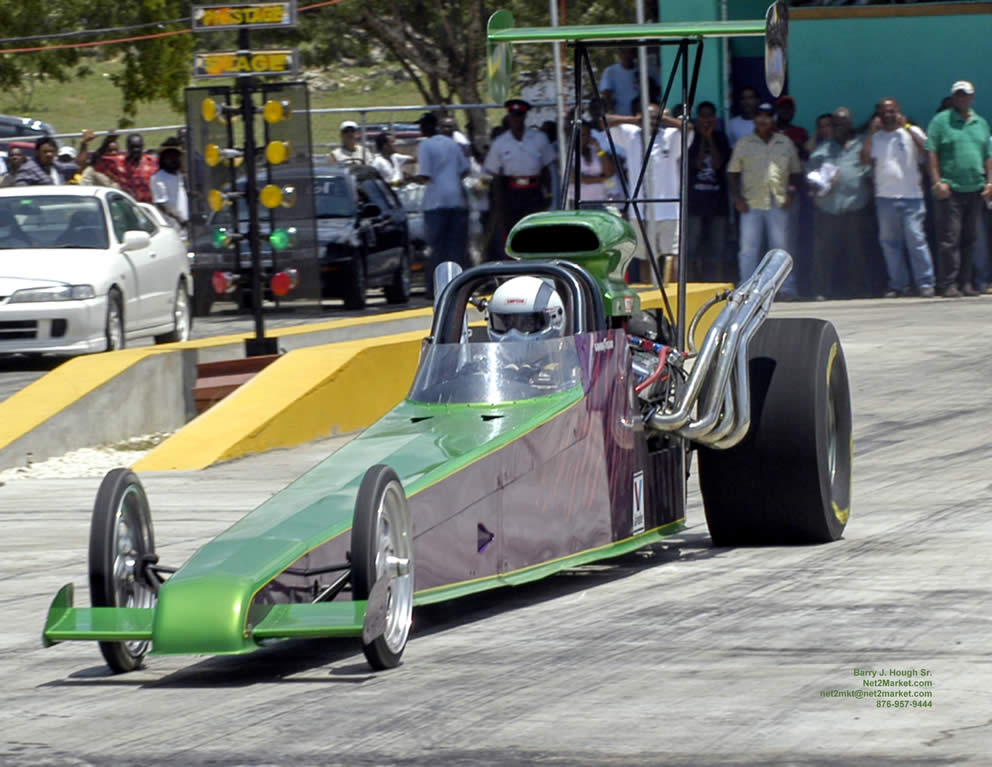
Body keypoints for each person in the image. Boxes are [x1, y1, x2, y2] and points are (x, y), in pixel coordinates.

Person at [861, 98, 936, 298]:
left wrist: (908, 128)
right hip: (885, 197)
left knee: (916, 239)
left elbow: (928, 151)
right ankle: (899, 284)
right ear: (879, 114)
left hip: (912, 196)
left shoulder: (911, 132)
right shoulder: (876, 137)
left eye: (892, 111)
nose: (888, 115)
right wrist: (870, 132)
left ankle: (925, 283)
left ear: (898, 112)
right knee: (890, 243)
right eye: (884, 112)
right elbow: (865, 159)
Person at [611, 102, 692, 285]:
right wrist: (635, 119)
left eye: (656, 117)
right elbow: (604, 122)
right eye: (649, 117)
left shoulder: (670, 136)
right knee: (645, 258)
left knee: (672, 256)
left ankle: (674, 296)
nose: (653, 121)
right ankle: (651, 297)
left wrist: (663, 118)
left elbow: (689, 128)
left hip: (669, 210)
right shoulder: (630, 134)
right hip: (640, 209)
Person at [925, 80, 992, 297]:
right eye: (959, 95)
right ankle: (948, 283)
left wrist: (990, 182)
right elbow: (931, 152)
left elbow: (988, 155)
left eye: (966, 95)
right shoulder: (941, 121)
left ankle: (966, 283)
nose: (962, 98)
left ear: (972, 97)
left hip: (975, 187)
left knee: (970, 237)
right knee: (950, 238)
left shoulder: (980, 123)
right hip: (951, 188)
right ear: (953, 97)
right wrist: (937, 181)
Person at [727, 101, 801, 297]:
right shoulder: (744, 143)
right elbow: (733, 173)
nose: (763, 120)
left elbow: (795, 172)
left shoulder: (784, 142)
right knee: (748, 249)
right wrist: (737, 198)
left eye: (767, 116)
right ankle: (747, 289)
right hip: (751, 202)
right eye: (759, 116)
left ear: (773, 119)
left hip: (779, 201)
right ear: (755, 120)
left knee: (781, 248)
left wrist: (791, 193)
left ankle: (785, 288)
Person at [806, 107, 876, 299]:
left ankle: (859, 290)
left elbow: (870, 171)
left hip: (856, 207)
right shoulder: (822, 150)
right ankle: (821, 291)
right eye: (836, 124)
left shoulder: (861, 146)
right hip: (828, 209)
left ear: (850, 124)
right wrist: (818, 184)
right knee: (824, 254)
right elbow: (810, 177)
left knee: (858, 253)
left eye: (844, 123)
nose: (840, 127)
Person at [483, 99, 554, 255]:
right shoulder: (500, 143)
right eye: (513, 116)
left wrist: (549, 194)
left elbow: (547, 170)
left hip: (534, 191)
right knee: (512, 233)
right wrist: (498, 201)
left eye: (519, 115)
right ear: (509, 117)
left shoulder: (539, 139)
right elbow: (495, 175)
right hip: (511, 194)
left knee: (535, 231)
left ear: (524, 117)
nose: (516, 119)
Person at [415, 111, 469, 297]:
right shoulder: (452, 144)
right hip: (456, 200)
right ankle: (459, 287)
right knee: (456, 249)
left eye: (422, 125)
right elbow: (464, 169)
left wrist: (411, 178)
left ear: (430, 126)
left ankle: (435, 289)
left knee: (436, 249)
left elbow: (425, 174)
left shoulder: (425, 145)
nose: (420, 129)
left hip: (435, 203)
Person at [686, 101, 731, 282]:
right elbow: (696, 164)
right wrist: (702, 138)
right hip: (695, 204)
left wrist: (710, 138)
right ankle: (690, 286)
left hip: (717, 204)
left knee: (717, 250)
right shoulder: (690, 139)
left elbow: (718, 163)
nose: (706, 120)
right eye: (703, 116)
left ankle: (717, 285)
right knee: (691, 249)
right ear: (697, 118)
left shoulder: (721, 138)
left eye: (710, 116)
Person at [487, 275, 565, 343]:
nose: (513, 335)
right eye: (506, 324)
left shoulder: (572, 357)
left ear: (555, 317)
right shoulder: (485, 357)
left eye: (528, 324)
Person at [598, 48, 660, 117]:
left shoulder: (648, 70)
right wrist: (611, 114)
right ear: (619, 54)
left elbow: (658, 90)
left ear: (635, 54)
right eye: (624, 52)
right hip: (620, 118)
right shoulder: (610, 71)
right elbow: (607, 95)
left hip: (644, 117)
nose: (627, 56)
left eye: (631, 52)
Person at [570, 121, 616, 208]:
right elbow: (575, 179)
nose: (584, 138)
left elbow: (609, 172)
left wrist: (599, 149)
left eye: (586, 134)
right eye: (581, 135)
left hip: (600, 200)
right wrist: (603, 179)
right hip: (578, 202)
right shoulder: (569, 154)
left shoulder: (595, 151)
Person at [151, 137, 189, 241]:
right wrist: (180, 219)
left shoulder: (178, 175)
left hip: (185, 229)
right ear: (163, 158)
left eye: (175, 156)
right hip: (172, 229)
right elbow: (162, 204)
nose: (173, 159)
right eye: (169, 156)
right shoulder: (158, 178)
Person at [15, 136, 80, 186]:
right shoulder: (28, 170)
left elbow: (78, 166)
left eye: (51, 151)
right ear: (37, 152)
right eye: (45, 152)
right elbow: (20, 191)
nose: (49, 154)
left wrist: (84, 143)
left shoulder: (58, 167)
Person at [119, 133, 157, 203]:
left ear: (143, 146)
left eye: (138, 147)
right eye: (132, 147)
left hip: (151, 205)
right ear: (127, 147)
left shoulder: (153, 161)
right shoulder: (120, 163)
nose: (135, 150)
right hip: (130, 206)